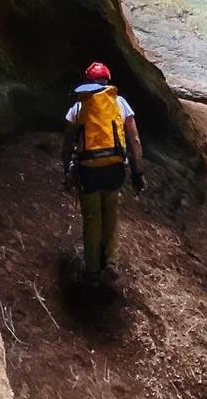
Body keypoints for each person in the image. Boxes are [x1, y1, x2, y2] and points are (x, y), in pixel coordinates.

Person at [61, 61, 146, 286]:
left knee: (92, 220)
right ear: (107, 81)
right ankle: (111, 263)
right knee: (111, 216)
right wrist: (138, 172)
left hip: (88, 172)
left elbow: (68, 143)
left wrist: (66, 170)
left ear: (87, 83)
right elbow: (134, 139)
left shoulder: (78, 108)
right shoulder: (120, 104)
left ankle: (92, 272)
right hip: (115, 170)